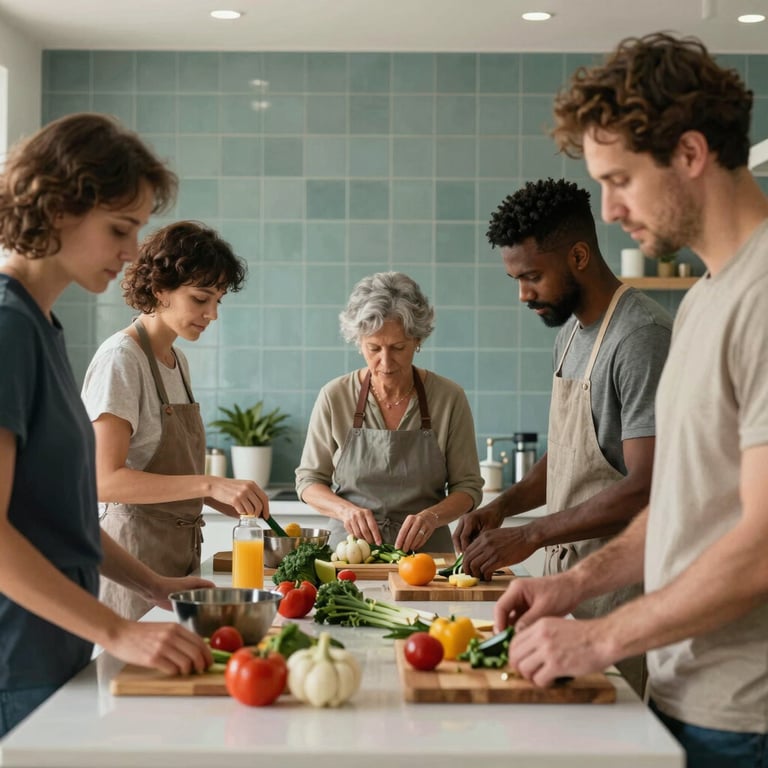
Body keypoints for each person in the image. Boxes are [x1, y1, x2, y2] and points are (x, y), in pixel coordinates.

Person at [494, 33, 768, 768]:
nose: (608, 211)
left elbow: (763, 542)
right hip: (685, 693)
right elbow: (685, 509)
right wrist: (575, 586)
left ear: (688, 154)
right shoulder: (709, 297)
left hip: (748, 715)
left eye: (620, 180)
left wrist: (600, 636)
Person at [0, 113, 214, 738]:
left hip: (54, 650)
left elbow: (58, 516)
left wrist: (151, 585)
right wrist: (117, 630)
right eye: (121, 229)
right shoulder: (9, 329)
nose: (131, 253)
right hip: (17, 662)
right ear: (58, 208)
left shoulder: (42, 327)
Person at [454, 177, 672, 695]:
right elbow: (572, 454)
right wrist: (501, 506)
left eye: (532, 276)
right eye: (516, 279)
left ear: (578, 256)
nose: (523, 294)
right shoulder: (571, 332)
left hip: (620, 596)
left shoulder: (640, 337)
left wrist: (529, 534)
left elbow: (647, 486)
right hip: (565, 588)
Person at [81, 221, 271, 620]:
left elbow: (162, 467)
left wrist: (221, 497)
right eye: (201, 299)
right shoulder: (122, 359)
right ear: (159, 289)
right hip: (132, 563)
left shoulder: (176, 361)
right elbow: (103, 481)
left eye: (218, 300)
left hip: (179, 558)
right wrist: (209, 482)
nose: (212, 314)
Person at [296, 271, 483, 553]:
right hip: (349, 555)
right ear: (359, 343)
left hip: (427, 558)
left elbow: (467, 487)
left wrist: (431, 517)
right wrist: (346, 511)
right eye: (373, 348)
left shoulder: (449, 398)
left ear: (417, 341)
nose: (385, 362)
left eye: (398, 347)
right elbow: (308, 481)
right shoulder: (334, 396)